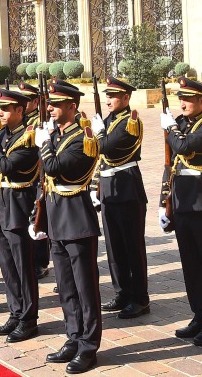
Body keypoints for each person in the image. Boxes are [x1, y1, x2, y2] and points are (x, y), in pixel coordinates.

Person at [34, 82, 101, 373]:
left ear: (72, 106)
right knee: (65, 287)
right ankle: (73, 337)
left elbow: (53, 167)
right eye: (49, 104)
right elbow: (46, 180)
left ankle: (89, 347)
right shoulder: (58, 134)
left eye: (56, 104)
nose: (50, 109)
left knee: (85, 288)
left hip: (77, 217)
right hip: (56, 215)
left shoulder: (82, 138)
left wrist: (44, 143)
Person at [0, 88, 39, 342]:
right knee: (7, 266)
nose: (0, 113)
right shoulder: (1, 135)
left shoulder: (28, 137)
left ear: (20, 111)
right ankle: (15, 313)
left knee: (23, 267)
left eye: (5, 109)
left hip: (17, 207)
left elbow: (8, 166)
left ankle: (28, 319)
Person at [90, 77, 149, 319]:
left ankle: (140, 298)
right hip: (109, 187)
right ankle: (122, 292)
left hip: (127, 187)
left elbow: (104, 147)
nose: (108, 100)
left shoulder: (130, 122)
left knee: (132, 246)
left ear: (126, 98)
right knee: (114, 247)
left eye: (113, 96)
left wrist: (98, 134)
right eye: (107, 96)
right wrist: (96, 187)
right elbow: (99, 158)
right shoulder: (109, 120)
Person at [159, 77, 202, 347]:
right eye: (180, 98)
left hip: (200, 203)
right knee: (191, 266)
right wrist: (166, 201)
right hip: (183, 203)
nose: (182, 103)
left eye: (188, 98)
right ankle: (199, 315)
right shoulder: (182, 123)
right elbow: (170, 165)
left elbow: (184, 147)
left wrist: (171, 128)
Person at [18, 81, 51, 280]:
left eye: (28, 99)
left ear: (37, 101)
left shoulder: (41, 120)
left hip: (39, 177)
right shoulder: (22, 121)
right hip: (26, 178)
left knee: (39, 220)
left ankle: (41, 261)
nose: (25, 103)